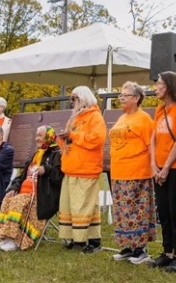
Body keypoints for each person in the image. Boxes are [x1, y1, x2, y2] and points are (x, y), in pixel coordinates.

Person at [0, 125, 62, 251]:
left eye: (40, 135)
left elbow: (59, 177)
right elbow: (22, 176)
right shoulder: (36, 154)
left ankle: (16, 240)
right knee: (8, 198)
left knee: (17, 202)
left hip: (41, 196)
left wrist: (46, 169)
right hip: (25, 192)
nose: (36, 138)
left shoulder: (56, 153)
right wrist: (13, 187)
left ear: (48, 137)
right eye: (36, 135)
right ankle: (6, 238)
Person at [109, 81, 156, 264]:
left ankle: (140, 249)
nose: (121, 97)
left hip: (137, 171)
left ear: (136, 98)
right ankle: (128, 246)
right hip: (119, 172)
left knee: (136, 211)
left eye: (125, 94)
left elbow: (151, 145)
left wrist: (153, 167)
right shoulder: (122, 118)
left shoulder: (144, 119)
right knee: (122, 211)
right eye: (120, 94)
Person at [148, 71, 176, 273]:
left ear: (170, 86)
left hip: (175, 168)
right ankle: (166, 252)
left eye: (159, 84)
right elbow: (154, 139)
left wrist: (165, 167)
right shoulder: (160, 109)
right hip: (159, 168)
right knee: (163, 211)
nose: (156, 88)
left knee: (175, 211)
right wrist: (154, 166)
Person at [58, 86, 106, 254]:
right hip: (71, 168)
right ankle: (76, 239)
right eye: (71, 99)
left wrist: (73, 137)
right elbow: (69, 138)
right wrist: (63, 140)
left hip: (86, 169)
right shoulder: (74, 118)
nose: (72, 103)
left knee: (84, 207)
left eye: (75, 99)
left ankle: (93, 241)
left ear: (84, 98)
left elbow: (97, 139)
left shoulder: (95, 116)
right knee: (71, 207)